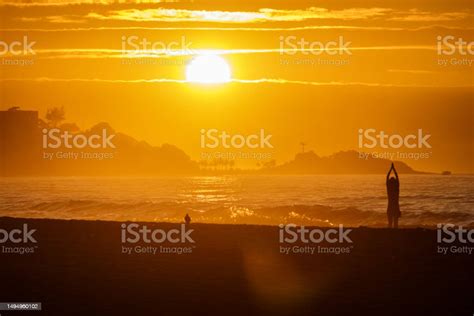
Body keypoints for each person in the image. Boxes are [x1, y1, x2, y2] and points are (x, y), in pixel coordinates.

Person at [386, 162, 401, 228]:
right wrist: (393, 169)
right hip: (396, 207)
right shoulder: (396, 188)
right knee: (396, 223)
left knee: (390, 223)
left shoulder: (389, 189)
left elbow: (387, 177)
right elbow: (397, 176)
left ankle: (390, 234)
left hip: (390, 207)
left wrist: (390, 169)